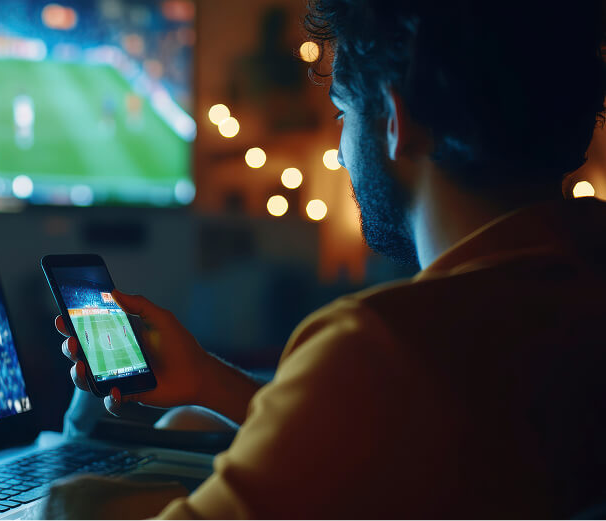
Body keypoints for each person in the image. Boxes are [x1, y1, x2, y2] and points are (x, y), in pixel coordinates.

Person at [43, 0, 606, 518]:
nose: (341, 148)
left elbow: (366, 399)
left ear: (397, 121)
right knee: (188, 418)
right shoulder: (578, 283)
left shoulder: (376, 346)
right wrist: (209, 381)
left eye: (341, 113)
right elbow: (378, 433)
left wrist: (68, 506)